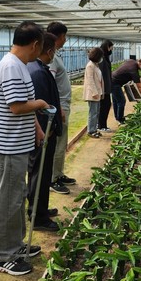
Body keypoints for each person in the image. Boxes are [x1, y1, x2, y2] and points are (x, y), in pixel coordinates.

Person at [0, 21, 49, 276]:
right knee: (9, 200)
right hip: (6, 147)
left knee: (17, 196)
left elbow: (22, 103)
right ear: (35, 44)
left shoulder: (19, 65)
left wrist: (36, 128)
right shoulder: (11, 67)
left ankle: (16, 245)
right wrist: (40, 103)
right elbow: (17, 107)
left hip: (15, 144)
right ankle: (5, 256)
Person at [26, 32, 63, 233]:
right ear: (48, 51)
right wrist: (43, 132)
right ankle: (38, 217)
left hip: (45, 131)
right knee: (39, 174)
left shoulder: (37, 68)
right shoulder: (38, 72)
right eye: (53, 51)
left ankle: (40, 209)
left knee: (42, 173)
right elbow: (39, 107)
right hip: (43, 133)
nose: (53, 55)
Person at [46, 22, 76, 195]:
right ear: (59, 37)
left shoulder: (55, 55)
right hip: (59, 107)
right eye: (65, 36)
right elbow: (50, 85)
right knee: (57, 144)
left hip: (62, 105)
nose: (65, 40)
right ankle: (52, 179)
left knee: (62, 143)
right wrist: (58, 108)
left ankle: (58, 174)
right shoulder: (51, 59)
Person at [110, 57, 141, 124]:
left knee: (116, 101)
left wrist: (136, 96)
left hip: (112, 79)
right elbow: (139, 87)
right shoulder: (133, 71)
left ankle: (118, 118)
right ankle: (120, 119)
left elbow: (131, 85)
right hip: (114, 83)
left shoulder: (131, 61)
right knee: (121, 101)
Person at [83, 47, 104, 138]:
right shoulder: (90, 66)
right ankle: (91, 131)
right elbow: (90, 80)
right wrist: (95, 92)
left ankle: (94, 129)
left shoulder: (95, 65)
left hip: (97, 93)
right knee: (93, 113)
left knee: (96, 112)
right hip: (92, 94)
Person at [97, 39, 114, 132]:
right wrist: (101, 88)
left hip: (106, 87)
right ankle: (101, 126)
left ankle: (102, 125)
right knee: (104, 106)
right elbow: (100, 74)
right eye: (111, 48)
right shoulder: (101, 59)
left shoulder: (105, 57)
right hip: (103, 88)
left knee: (106, 105)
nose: (111, 50)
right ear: (107, 47)